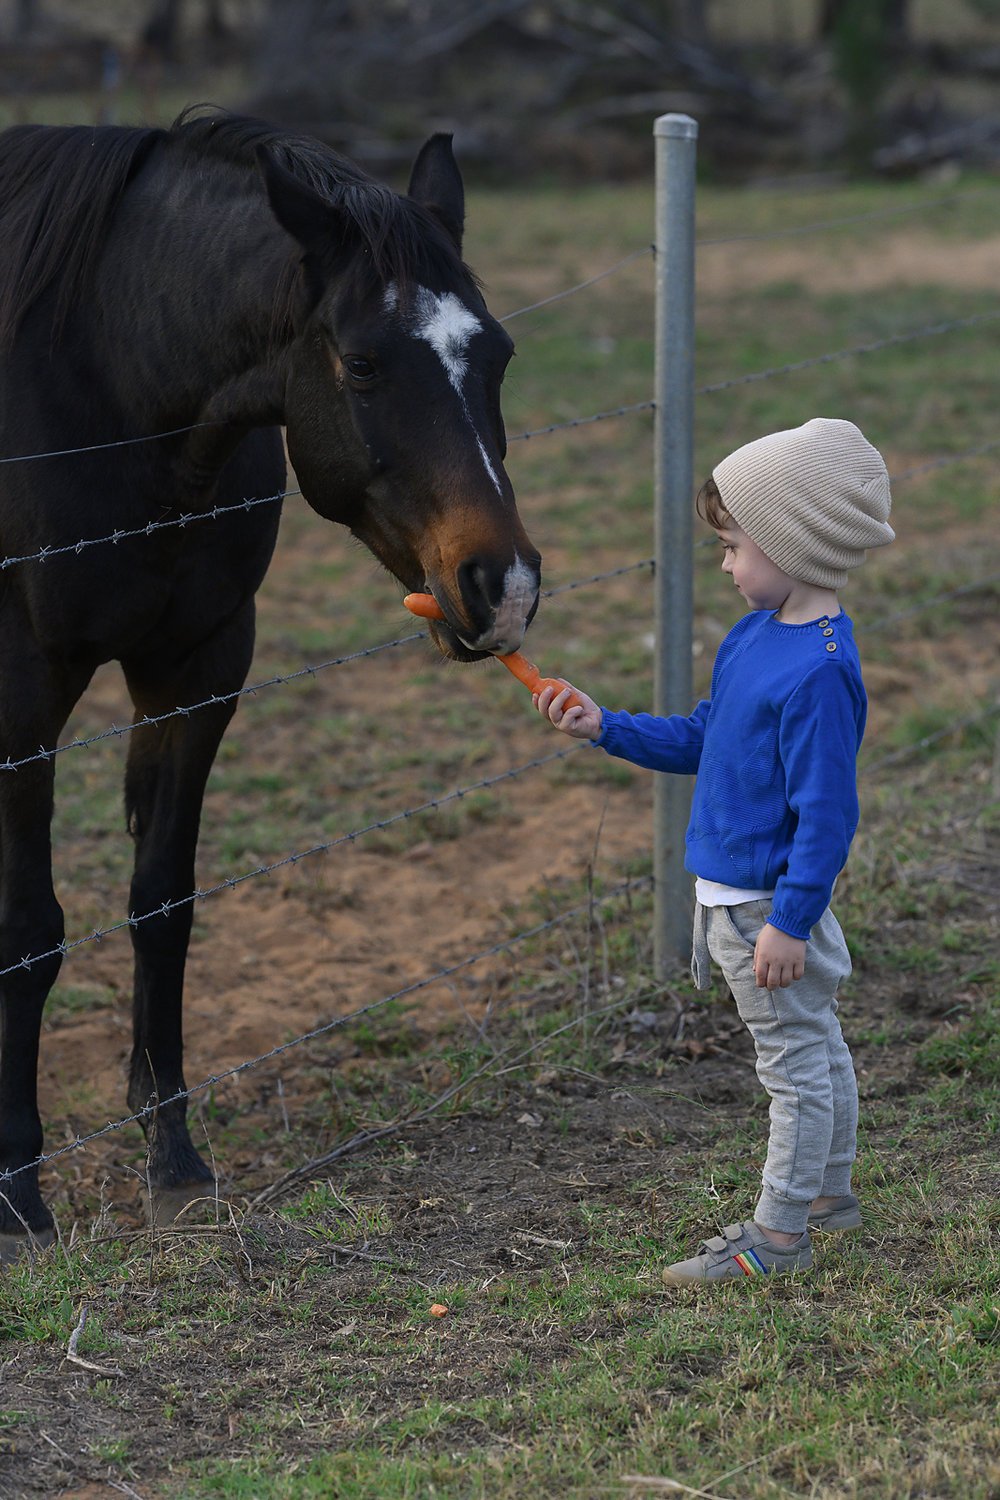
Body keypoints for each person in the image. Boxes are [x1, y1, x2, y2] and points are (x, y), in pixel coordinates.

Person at [533, 417, 894, 1284]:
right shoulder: (757, 638)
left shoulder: (818, 673)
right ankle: (827, 1201)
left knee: (795, 1066)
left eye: (734, 545)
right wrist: (606, 726)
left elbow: (827, 818)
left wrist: (791, 922)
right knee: (817, 1044)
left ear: (791, 539)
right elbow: (704, 736)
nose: (726, 563)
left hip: (764, 907)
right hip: (746, 900)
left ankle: (777, 1238)